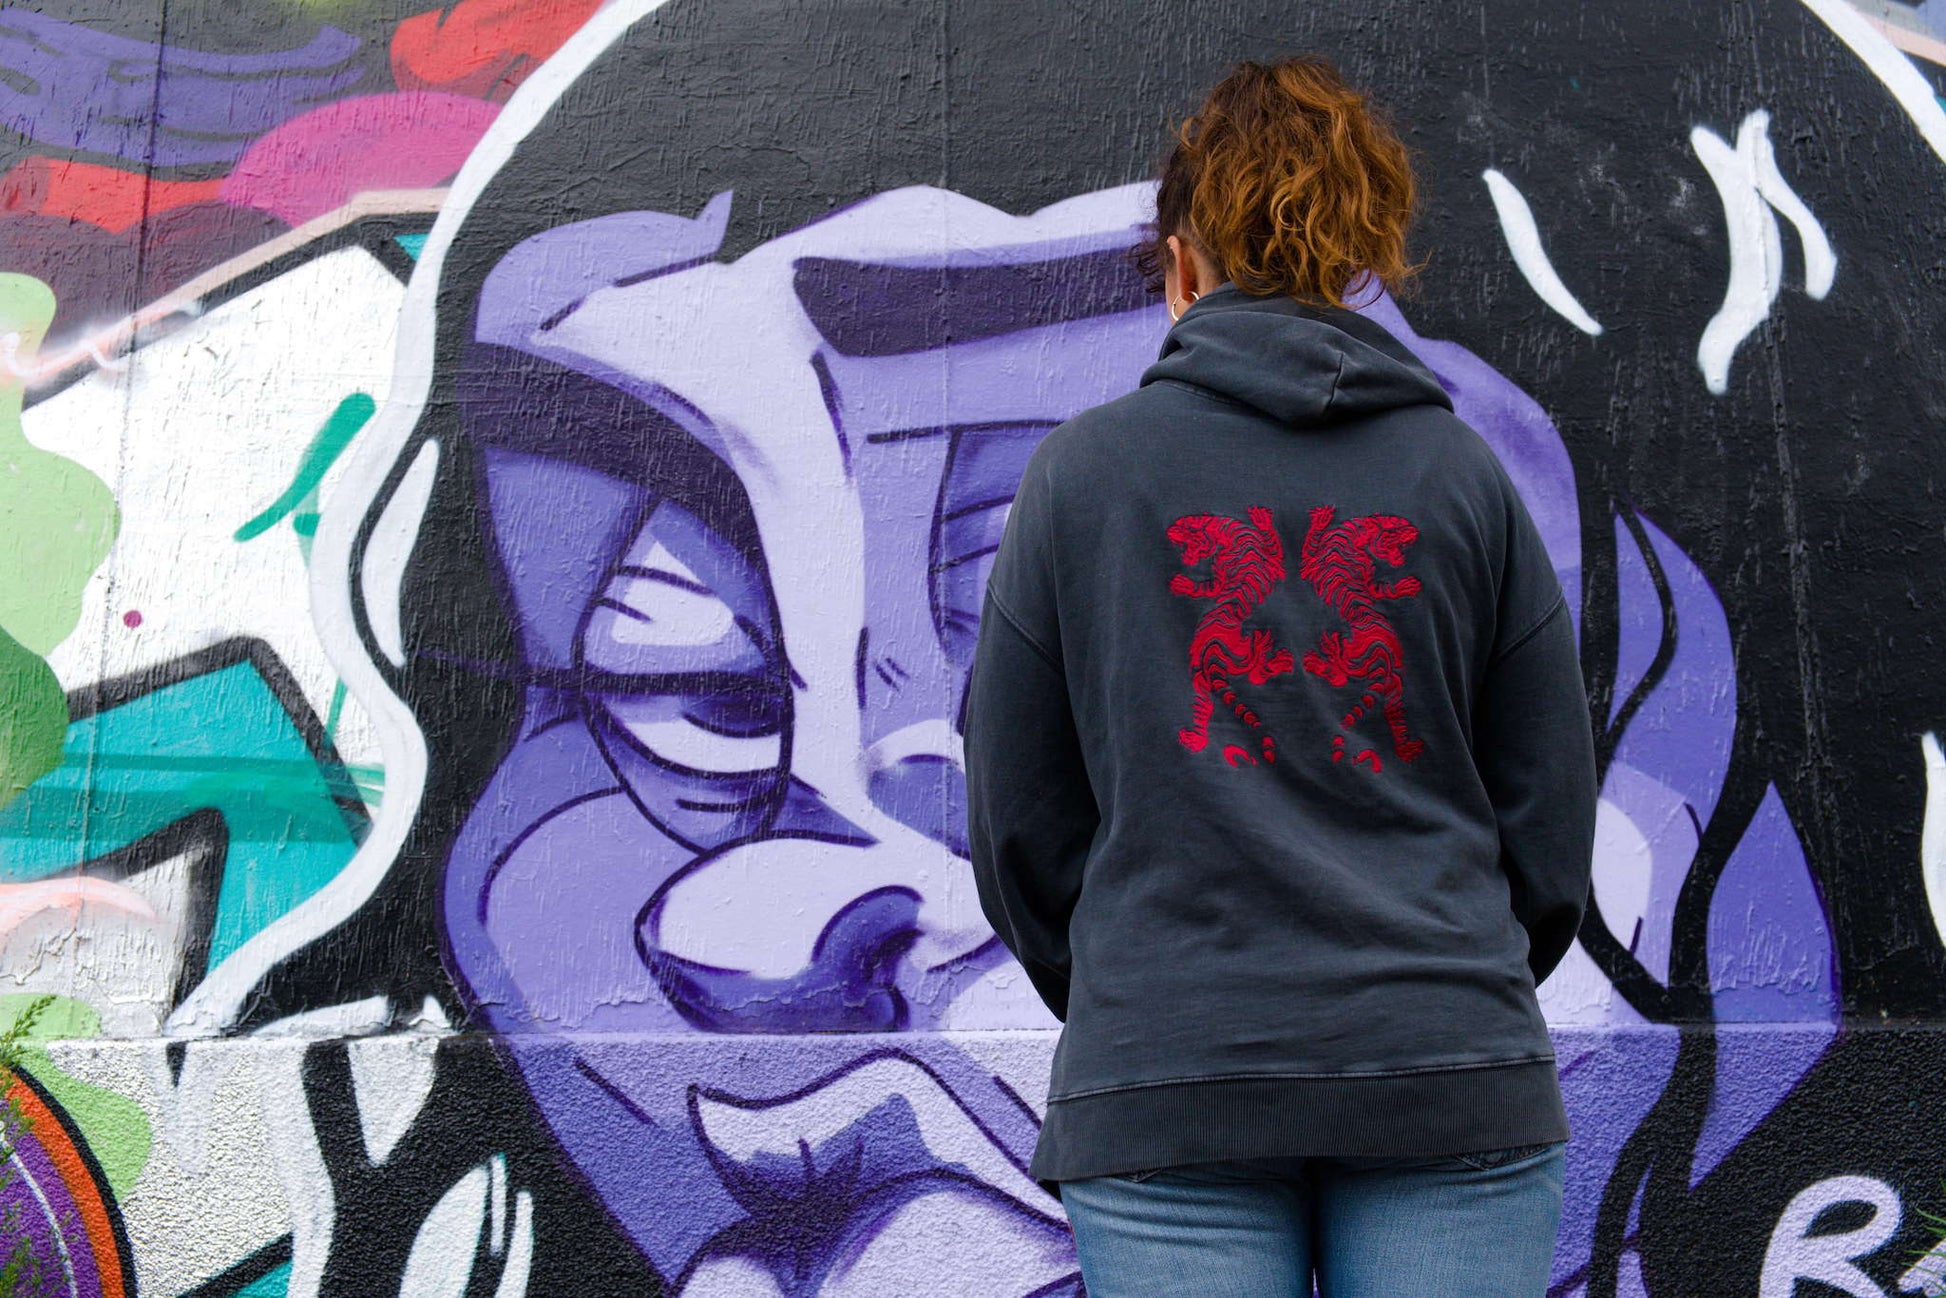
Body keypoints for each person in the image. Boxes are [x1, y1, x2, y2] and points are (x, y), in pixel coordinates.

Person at [963, 56, 1598, 1297]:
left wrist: (1139, 990)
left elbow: (1017, 824)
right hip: (1442, 1064)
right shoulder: (1461, 477)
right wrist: (1435, 997)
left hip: (1166, 1073)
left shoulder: (1081, 477)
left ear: (1179, 266)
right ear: (1355, 260)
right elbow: (1547, 819)